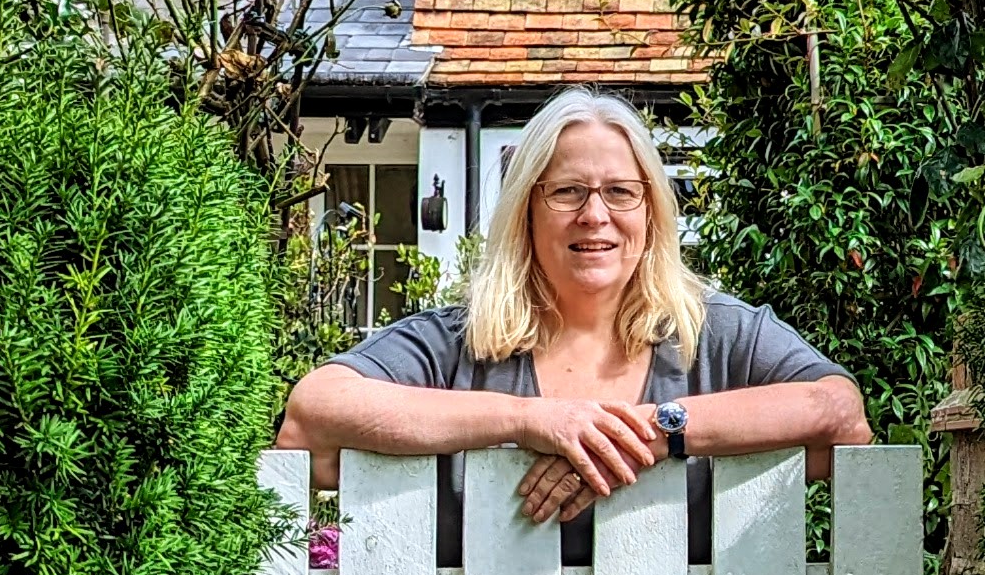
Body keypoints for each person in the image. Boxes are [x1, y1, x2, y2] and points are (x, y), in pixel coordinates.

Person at [281, 87, 872, 524]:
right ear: (526, 212)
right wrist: (529, 421)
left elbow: (839, 413)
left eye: (620, 191)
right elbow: (313, 412)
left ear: (651, 212)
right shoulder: (457, 341)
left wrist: (648, 432)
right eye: (567, 191)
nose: (595, 215)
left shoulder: (714, 333)